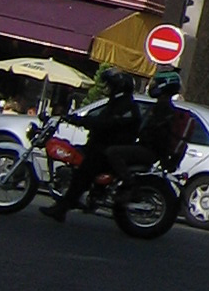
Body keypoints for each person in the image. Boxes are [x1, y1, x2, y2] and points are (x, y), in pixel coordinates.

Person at [50, 67, 143, 220]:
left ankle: (63, 208)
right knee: (77, 157)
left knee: (84, 171)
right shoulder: (116, 103)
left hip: (108, 150)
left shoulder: (126, 106)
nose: (107, 88)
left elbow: (106, 123)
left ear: (118, 87)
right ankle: (70, 198)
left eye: (110, 85)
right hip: (101, 146)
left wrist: (82, 121)